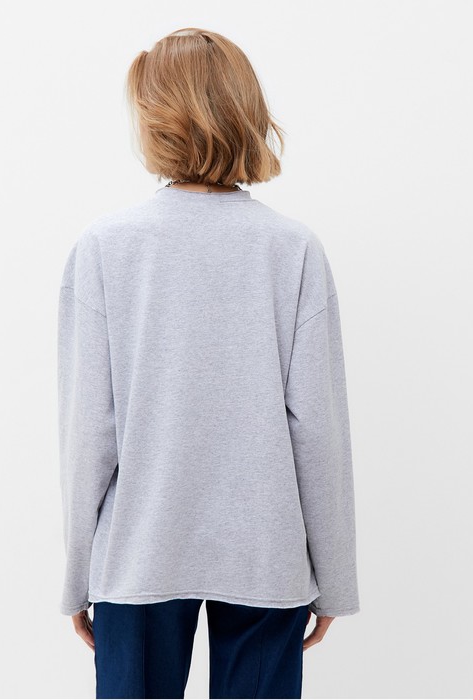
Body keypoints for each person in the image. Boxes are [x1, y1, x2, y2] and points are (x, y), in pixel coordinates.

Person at [57, 27, 360, 699]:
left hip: (138, 553)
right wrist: (334, 579)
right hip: (265, 554)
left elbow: (90, 432)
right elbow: (318, 430)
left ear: (153, 119)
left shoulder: (106, 248)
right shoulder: (292, 250)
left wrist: (78, 576)